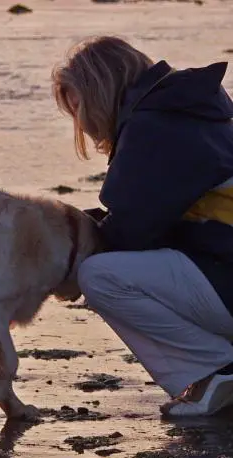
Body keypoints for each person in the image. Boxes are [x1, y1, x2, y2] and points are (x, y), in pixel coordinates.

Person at [51, 36, 233, 417]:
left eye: (76, 106)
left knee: (100, 275)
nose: (81, 123)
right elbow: (156, 218)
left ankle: (216, 371)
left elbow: (129, 236)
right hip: (221, 262)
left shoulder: (153, 127)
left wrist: (61, 262)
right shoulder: (191, 112)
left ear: (99, 91)